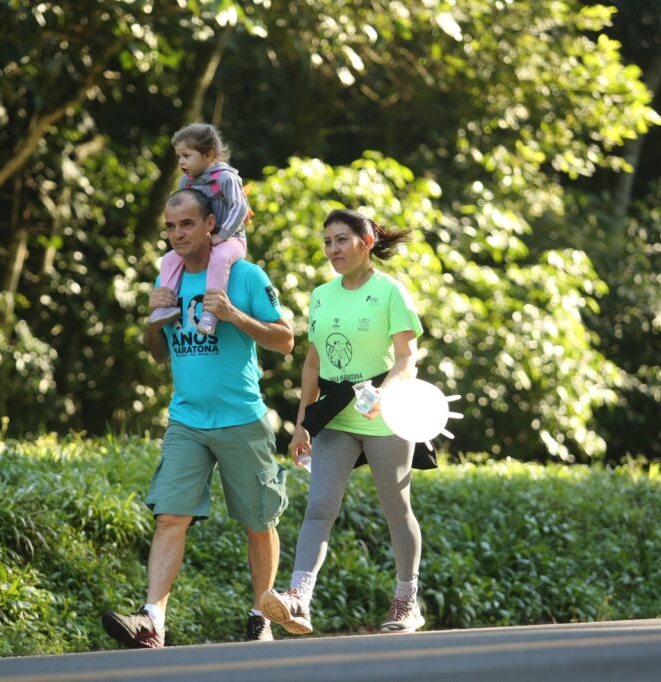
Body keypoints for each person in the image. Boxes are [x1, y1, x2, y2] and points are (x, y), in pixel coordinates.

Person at [102, 189, 294, 648]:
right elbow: (158, 355)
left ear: (210, 224)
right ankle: (152, 620)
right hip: (186, 419)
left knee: (258, 522)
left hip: (241, 419)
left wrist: (233, 314)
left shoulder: (245, 275)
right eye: (170, 227)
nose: (176, 234)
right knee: (170, 516)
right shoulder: (166, 275)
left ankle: (260, 613)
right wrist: (154, 319)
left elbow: (285, 339)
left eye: (186, 224)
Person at [259, 208, 437, 637]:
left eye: (341, 240)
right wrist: (303, 423)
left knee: (396, 508)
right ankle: (299, 599)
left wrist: (384, 394)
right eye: (327, 242)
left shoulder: (391, 292)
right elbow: (312, 364)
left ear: (367, 242)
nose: (333, 249)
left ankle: (406, 600)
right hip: (336, 416)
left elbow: (407, 358)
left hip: (386, 415)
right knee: (319, 508)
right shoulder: (321, 295)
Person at [146, 123, 251, 337]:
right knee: (169, 259)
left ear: (208, 154)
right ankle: (166, 305)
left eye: (186, 155)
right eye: (178, 157)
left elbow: (240, 207)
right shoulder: (186, 181)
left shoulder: (225, 177)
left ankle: (210, 314)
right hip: (205, 239)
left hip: (231, 239)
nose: (181, 162)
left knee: (220, 258)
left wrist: (222, 235)